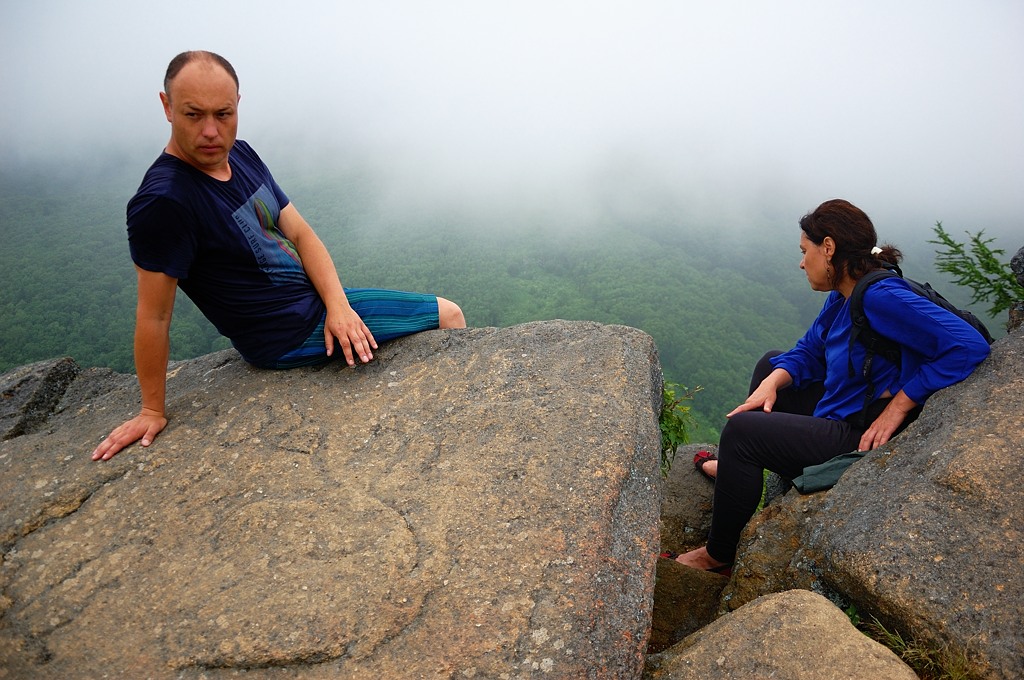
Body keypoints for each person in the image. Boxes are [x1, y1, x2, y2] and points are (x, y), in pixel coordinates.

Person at [92, 50, 465, 462]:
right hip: (287, 332)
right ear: (166, 107)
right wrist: (151, 410)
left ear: (238, 105)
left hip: (318, 306)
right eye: (193, 115)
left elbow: (302, 234)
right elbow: (154, 315)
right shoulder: (165, 202)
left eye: (224, 113)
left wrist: (338, 306)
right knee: (449, 315)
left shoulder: (242, 155)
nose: (212, 131)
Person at [668, 199, 991, 573]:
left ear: (829, 248)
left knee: (741, 433)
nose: (801, 263)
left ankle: (718, 555)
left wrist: (901, 403)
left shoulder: (880, 297)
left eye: (805, 252)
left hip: (858, 434)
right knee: (772, 363)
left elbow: (969, 345)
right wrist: (774, 380)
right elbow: (810, 350)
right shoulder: (845, 293)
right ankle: (739, 475)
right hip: (841, 407)